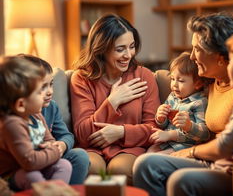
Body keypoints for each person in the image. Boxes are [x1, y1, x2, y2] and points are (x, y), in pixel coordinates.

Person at [133, 13, 233, 196]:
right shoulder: (210, 83)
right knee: (145, 164)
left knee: (179, 179)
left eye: (197, 49)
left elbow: (228, 145)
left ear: (219, 56)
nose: (192, 57)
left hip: (227, 164)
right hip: (208, 159)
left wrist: (190, 152)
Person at [70, 13, 160, 185]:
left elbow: (155, 129)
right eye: (120, 49)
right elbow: (82, 133)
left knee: (119, 170)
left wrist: (121, 132)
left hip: (130, 149)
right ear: (101, 49)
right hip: (92, 149)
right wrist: (113, 101)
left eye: (132, 47)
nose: (129, 55)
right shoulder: (82, 78)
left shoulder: (144, 76)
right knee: (92, 169)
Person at [0, 56, 72, 191]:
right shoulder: (12, 124)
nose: (46, 94)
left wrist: (52, 146)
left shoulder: (36, 115)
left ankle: (55, 193)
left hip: (39, 163)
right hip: (13, 174)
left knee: (64, 165)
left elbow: (49, 139)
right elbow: (30, 162)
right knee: (32, 176)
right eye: (39, 92)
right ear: (21, 104)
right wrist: (55, 150)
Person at [18, 54, 90, 185]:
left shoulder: (51, 107)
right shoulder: (14, 119)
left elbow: (66, 135)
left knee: (80, 156)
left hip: (49, 156)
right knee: (32, 175)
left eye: (51, 85)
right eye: (42, 87)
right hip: (24, 166)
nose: (50, 92)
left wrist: (62, 145)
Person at [147, 51, 209, 154]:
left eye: (181, 81)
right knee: (149, 152)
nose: (174, 85)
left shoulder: (199, 103)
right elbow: (164, 125)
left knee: (156, 157)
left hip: (185, 146)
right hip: (166, 142)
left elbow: (204, 134)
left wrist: (188, 126)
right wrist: (160, 118)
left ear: (198, 84)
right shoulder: (172, 96)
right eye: (172, 79)